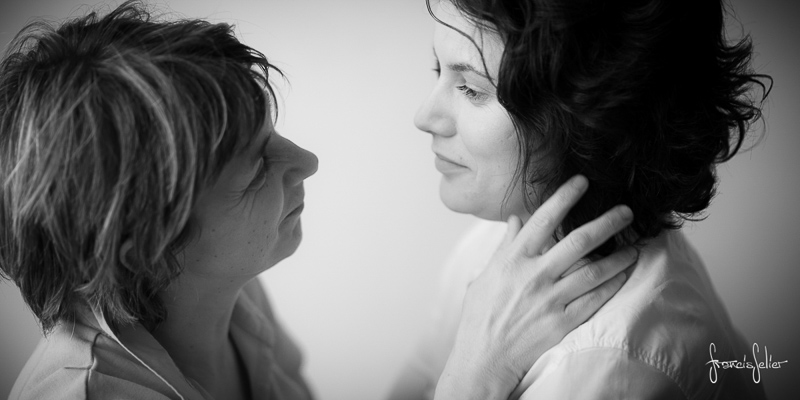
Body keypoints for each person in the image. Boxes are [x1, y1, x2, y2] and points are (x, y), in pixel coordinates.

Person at [0, 2, 638, 399]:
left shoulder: (228, 292)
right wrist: (474, 376)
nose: (306, 162)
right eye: (256, 168)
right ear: (149, 244)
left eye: (271, 135)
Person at [389, 0, 771, 399]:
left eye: (471, 88)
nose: (424, 115)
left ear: (587, 119)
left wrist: (474, 377)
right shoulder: (498, 244)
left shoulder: (606, 366)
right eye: (438, 70)